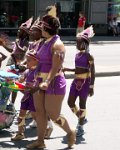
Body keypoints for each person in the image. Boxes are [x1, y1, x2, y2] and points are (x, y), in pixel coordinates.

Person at [26, 6, 76, 149]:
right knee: (39, 113)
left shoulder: (57, 45)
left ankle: (70, 131)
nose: (40, 30)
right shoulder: (43, 42)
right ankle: (40, 141)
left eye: (42, 27)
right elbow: (38, 59)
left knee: (53, 115)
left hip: (53, 83)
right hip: (39, 81)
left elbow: (55, 67)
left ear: (47, 29)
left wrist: (47, 82)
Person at [63, 26, 95, 137]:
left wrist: (91, 86)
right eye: (76, 42)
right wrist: (67, 69)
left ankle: (80, 126)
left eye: (78, 42)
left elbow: (92, 72)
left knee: (82, 105)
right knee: (70, 102)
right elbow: (77, 69)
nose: (76, 44)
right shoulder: (77, 55)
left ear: (84, 44)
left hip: (85, 83)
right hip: (75, 82)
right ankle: (81, 118)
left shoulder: (89, 56)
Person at [0, 17, 32, 105]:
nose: (18, 31)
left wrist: (17, 44)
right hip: (12, 63)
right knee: (9, 84)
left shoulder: (25, 42)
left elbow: (23, 50)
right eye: (18, 30)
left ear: (24, 33)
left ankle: (14, 102)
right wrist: (3, 45)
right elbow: (11, 51)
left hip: (18, 64)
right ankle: (7, 103)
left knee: (15, 85)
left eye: (20, 30)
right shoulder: (18, 40)